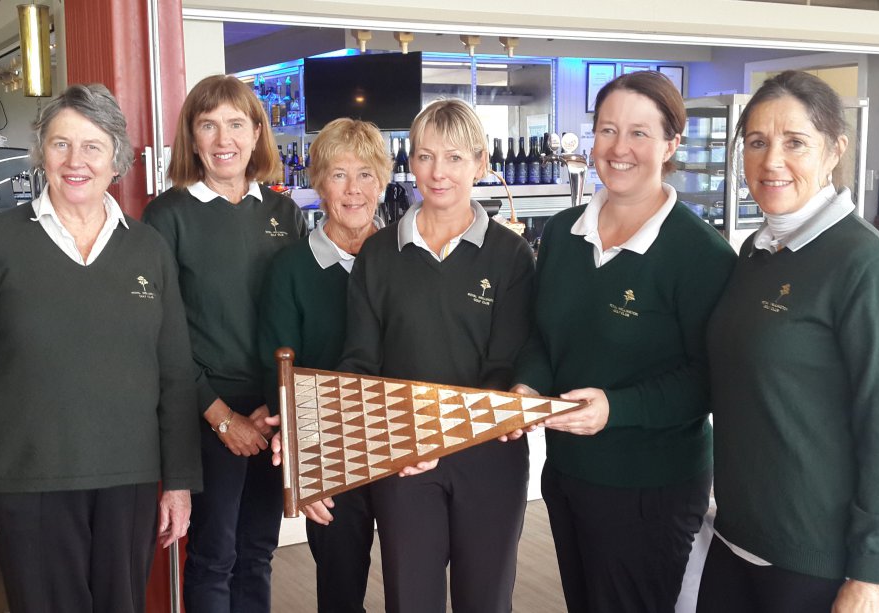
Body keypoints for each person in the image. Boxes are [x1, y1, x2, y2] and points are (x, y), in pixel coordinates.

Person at [0, 84, 200, 613]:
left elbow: (175, 373)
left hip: (129, 480)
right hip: (26, 479)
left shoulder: (148, 248)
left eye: (92, 146)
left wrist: (178, 482)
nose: (75, 160)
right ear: (42, 153)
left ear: (117, 159)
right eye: (61, 144)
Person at [696, 70, 879, 613]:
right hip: (735, 538)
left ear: (834, 150)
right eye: (757, 142)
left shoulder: (864, 265)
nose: (771, 161)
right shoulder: (756, 252)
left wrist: (871, 573)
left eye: (795, 142)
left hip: (813, 561)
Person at [507, 71, 735, 612]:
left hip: (650, 486)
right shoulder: (563, 234)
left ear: (671, 144)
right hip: (567, 472)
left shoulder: (701, 255)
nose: (618, 148)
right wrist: (527, 385)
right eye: (607, 130)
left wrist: (616, 408)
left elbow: (709, 380)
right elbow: (544, 335)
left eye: (639, 133)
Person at [337, 99, 535, 612]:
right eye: (425, 156)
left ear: (481, 164)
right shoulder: (379, 255)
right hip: (403, 457)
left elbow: (506, 365)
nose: (438, 172)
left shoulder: (512, 256)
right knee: (411, 599)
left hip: (490, 455)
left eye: (454, 158)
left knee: (486, 599)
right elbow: (360, 362)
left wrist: (441, 436)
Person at [143, 74, 307, 613]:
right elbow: (159, 332)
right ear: (192, 139)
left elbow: (297, 317)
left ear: (258, 133)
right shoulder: (167, 216)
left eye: (236, 124)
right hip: (205, 409)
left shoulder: (284, 214)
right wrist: (219, 417)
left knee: (258, 551)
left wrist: (277, 407)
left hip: (272, 412)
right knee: (214, 556)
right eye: (208, 125)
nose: (223, 139)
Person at [259, 117, 390, 612]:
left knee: (413, 584)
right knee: (340, 591)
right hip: (329, 454)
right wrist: (306, 469)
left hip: (403, 445)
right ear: (318, 183)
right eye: (338, 175)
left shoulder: (405, 257)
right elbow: (278, 374)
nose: (353, 189)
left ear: (382, 181)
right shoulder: (290, 268)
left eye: (365, 174)